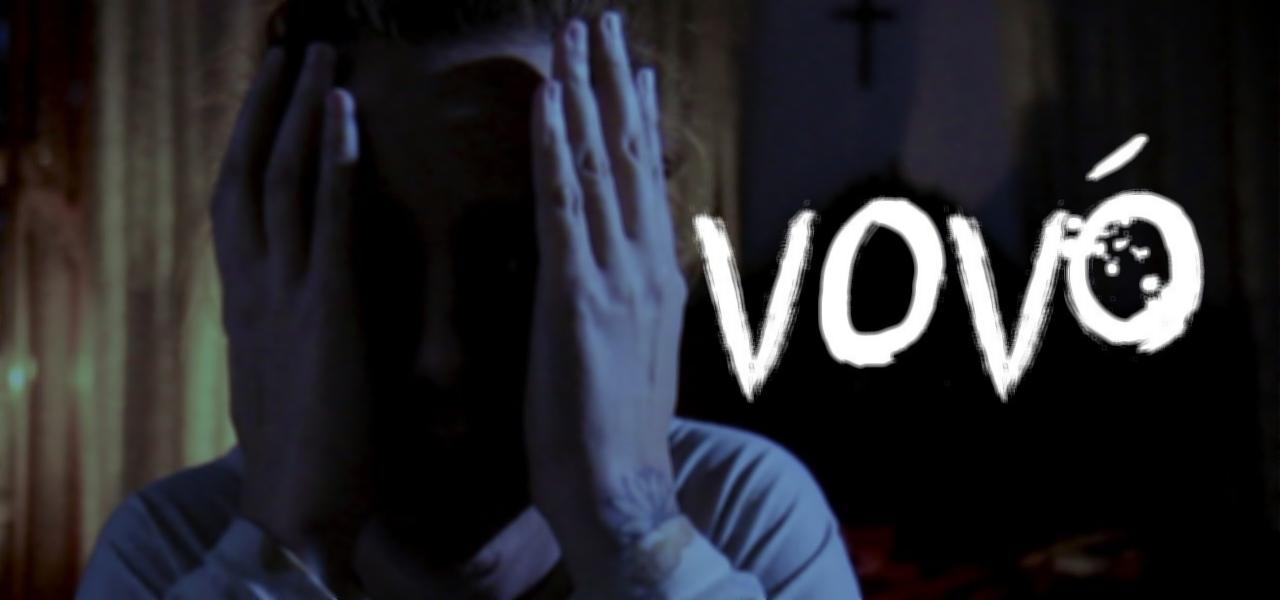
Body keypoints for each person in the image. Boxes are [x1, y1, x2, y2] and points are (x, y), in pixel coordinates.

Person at [79, 1, 861, 597]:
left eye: (516, 265)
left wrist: (632, 531)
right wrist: (285, 547)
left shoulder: (742, 517)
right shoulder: (170, 550)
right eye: (376, 265)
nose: (441, 360)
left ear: (635, 283)